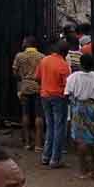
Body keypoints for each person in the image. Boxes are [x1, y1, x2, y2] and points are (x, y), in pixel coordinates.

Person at [65, 53, 94, 179]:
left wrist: (75, 103)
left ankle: (83, 171)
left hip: (79, 107)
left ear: (80, 64)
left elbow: (68, 94)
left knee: (81, 139)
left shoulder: (74, 77)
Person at [35, 40, 71, 168]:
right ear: (66, 53)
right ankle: (55, 159)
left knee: (50, 126)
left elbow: (37, 77)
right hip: (59, 98)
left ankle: (46, 156)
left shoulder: (44, 60)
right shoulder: (64, 66)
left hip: (45, 96)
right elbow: (67, 86)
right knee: (59, 128)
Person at [12, 36, 44, 151]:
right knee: (39, 115)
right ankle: (38, 145)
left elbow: (14, 73)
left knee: (25, 114)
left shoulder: (19, 56)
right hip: (38, 87)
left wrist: (22, 78)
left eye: (23, 41)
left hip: (24, 87)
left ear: (26, 43)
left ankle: (27, 143)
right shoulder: (42, 57)